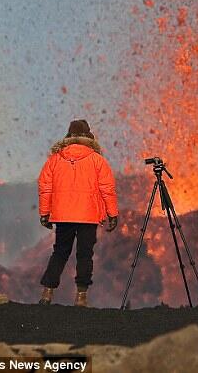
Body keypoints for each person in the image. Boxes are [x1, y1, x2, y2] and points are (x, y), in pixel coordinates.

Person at [37, 119, 119, 306]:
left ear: (69, 135)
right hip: (88, 216)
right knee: (85, 254)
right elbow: (107, 189)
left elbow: (45, 188)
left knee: (60, 252)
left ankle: (47, 293)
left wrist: (44, 213)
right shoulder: (98, 161)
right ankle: (81, 297)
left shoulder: (54, 160)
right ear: (88, 136)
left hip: (63, 215)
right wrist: (112, 214)